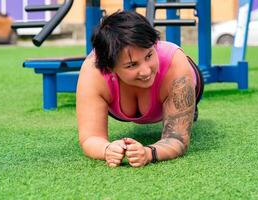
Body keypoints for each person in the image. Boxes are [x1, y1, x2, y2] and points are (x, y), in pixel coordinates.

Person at [76, 11, 204, 168]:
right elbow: (90, 137)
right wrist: (107, 149)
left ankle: (189, 108)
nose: (146, 71)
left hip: (186, 82)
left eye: (149, 56)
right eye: (131, 65)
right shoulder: (93, 71)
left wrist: (150, 153)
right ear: (110, 68)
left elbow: (177, 139)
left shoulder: (175, 64)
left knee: (182, 104)